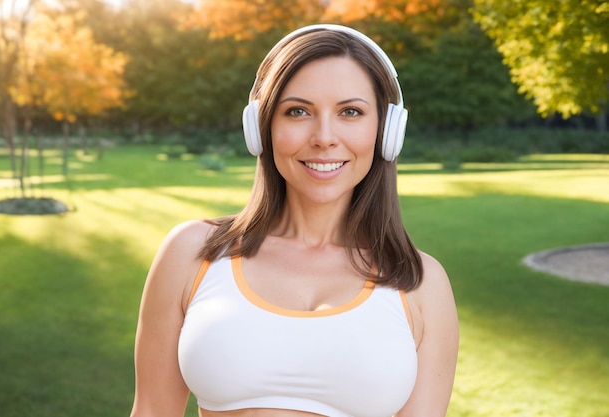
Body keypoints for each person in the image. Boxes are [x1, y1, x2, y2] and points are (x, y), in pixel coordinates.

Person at [130, 24, 458, 417]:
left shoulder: (421, 282)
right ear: (262, 128)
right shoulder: (192, 253)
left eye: (350, 112)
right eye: (298, 111)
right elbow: (151, 410)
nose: (324, 137)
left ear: (387, 131)